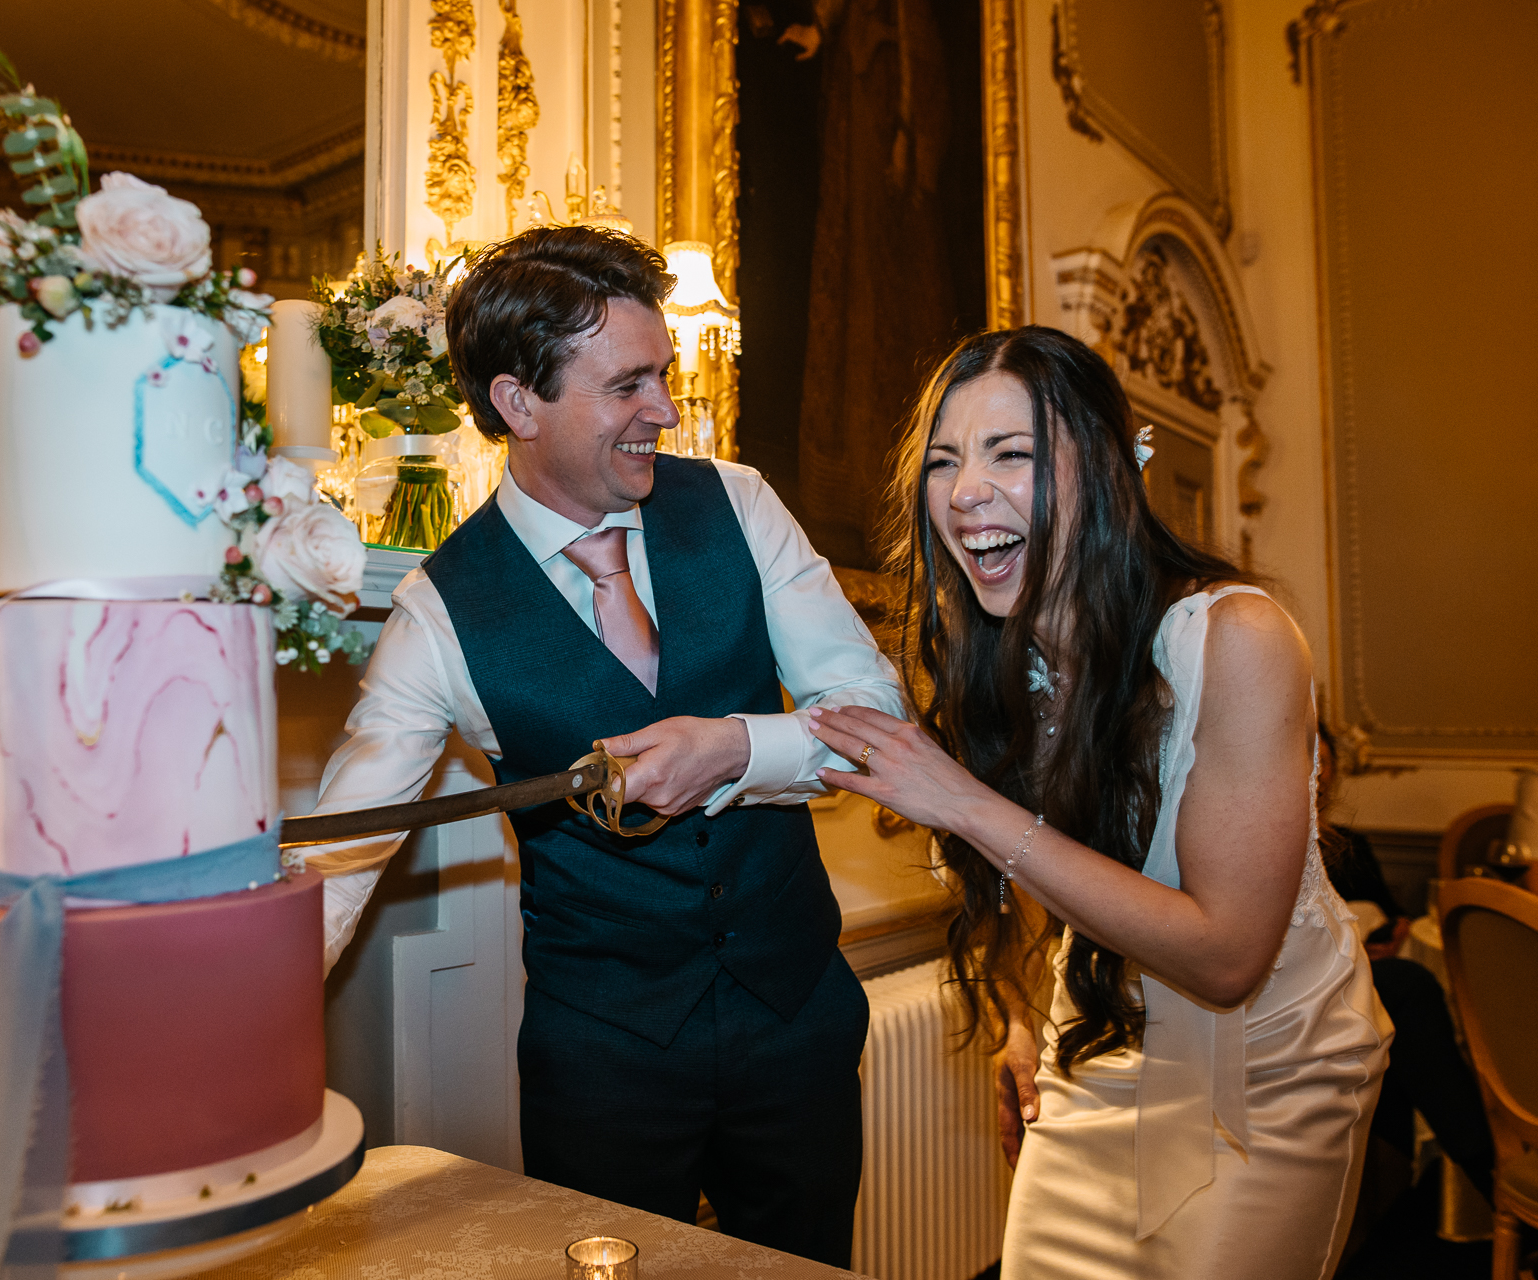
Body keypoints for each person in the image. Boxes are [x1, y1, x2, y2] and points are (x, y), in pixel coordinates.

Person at [303, 226, 904, 1267]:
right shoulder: (437, 610)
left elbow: (872, 721)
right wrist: (210, 1042)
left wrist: (731, 746)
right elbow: (339, 858)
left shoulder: (741, 502)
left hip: (797, 1016)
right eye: (629, 383)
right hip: (604, 1061)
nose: (664, 410)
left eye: (662, 375)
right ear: (517, 402)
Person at [808, 326, 1392, 1278]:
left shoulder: (1235, 639)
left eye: (1013, 454)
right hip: (1102, 1046)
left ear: (1112, 473)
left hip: (1275, 1073)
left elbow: (1227, 957)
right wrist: (1022, 1011)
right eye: (945, 462)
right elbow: (1055, 859)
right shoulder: (1003, 656)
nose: (965, 494)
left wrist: (959, 800)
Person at [1316, 723, 1495, 1206]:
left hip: (1346, 973)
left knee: (1396, 1005)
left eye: (1323, 763)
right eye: (1305, 761)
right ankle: (1491, 1170)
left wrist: (1392, 928)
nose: (1315, 774)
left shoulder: (1342, 842)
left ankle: (1470, 1171)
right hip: (1301, 986)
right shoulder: (1261, 839)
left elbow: (1388, 908)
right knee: (1406, 991)